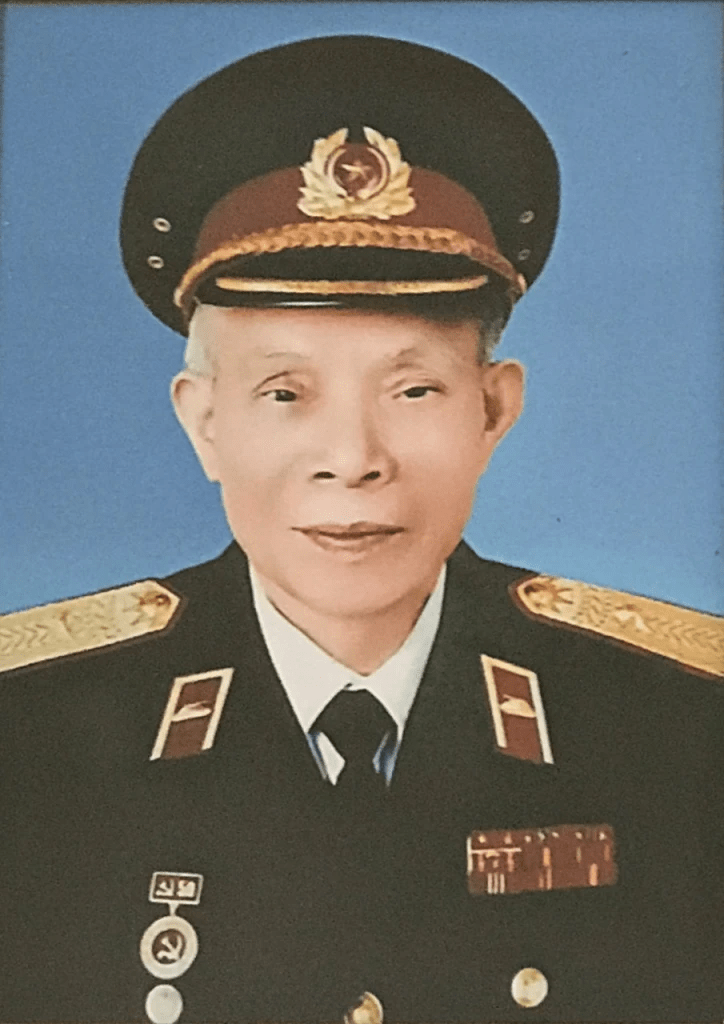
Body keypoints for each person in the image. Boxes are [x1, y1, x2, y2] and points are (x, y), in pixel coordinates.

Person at [1, 35, 722, 1024]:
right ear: (204, 423)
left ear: (493, 410)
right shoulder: (33, 733)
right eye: (285, 392)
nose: (353, 458)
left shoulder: (676, 726)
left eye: (413, 389)